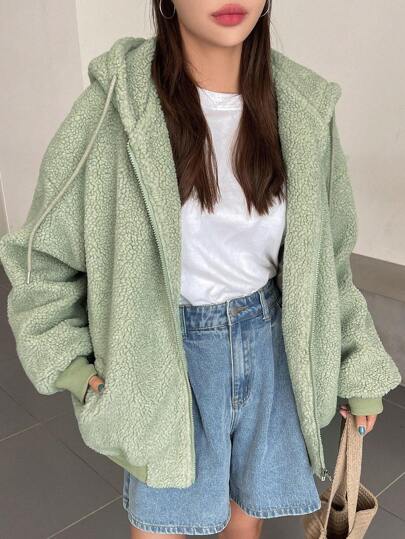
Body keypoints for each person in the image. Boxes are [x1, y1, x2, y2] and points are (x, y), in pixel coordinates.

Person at [0, 1, 402, 537]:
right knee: (160, 527)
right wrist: (71, 364)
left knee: (243, 526)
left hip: (270, 349)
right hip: (164, 356)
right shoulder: (116, 108)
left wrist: (358, 365)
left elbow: (328, 261)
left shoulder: (303, 107)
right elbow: (40, 253)